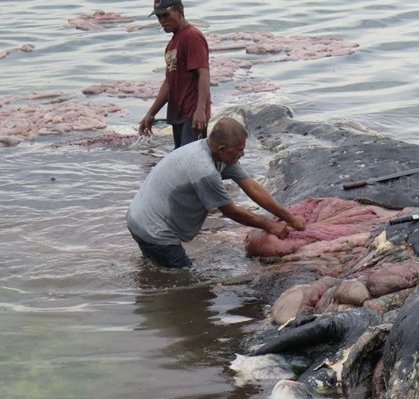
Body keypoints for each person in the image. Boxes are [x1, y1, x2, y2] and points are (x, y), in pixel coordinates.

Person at [127, 117, 307, 268]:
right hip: (154, 229)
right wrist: (269, 225)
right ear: (222, 149)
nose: (242, 154)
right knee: (188, 283)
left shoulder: (216, 154)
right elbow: (230, 211)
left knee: (155, 270)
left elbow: (252, 187)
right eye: (239, 150)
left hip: (139, 218)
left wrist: (288, 217)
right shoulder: (204, 170)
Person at [139, 0, 211, 149]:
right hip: (177, 115)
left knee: (189, 162)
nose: (162, 21)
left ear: (180, 11)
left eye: (166, 15)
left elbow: (203, 73)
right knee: (180, 159)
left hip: (192, 115)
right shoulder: (171, 45)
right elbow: (169, 82)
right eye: (159, 17)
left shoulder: (192, 36)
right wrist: (151, 113)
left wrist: (200, 110)